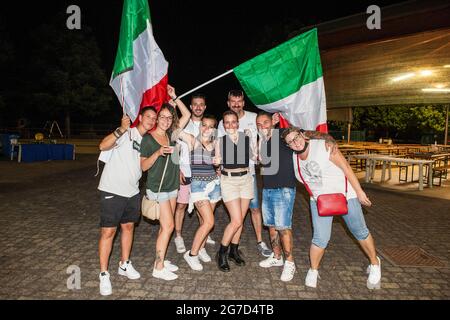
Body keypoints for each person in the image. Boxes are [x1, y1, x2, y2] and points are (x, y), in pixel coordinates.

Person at [282, 127, 381, 289]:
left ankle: (375, 263)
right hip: (320, 201)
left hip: (346, 195)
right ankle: (313, 270)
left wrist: (359, 191)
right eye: (290, 142)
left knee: (360, 231)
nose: (295, 142)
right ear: (289, 146)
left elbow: (346, 168)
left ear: (303, 135)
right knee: (320, 238)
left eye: (297, 137)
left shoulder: (323, 146)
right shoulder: (295, 159)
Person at [256, 112, 337, 282]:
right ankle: (276, 257)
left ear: (273, 122)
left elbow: (307, 133)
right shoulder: (262, 141)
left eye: (265, 122)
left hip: (284, 189)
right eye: (259, 123)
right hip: (268, 189)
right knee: (271, 227)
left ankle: (290, 262)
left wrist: (327, 137)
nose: (262, 126)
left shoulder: (283, 135)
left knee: (284, 228)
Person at [97, 106, 156, 296]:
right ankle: (104, 273)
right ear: (140, 117)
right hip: (112, 190)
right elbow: (103, 145)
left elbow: (144, 166)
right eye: (148, 116)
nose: (151, 120)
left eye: (154, 118)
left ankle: (124, 264)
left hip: (132, 192)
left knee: (128, 228)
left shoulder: (146, 140)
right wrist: (121, 129)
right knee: (108, 231)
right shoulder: (126, 133)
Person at [140, 85, 191, 281]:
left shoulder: (171, 135)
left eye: (169, 118)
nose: (166, 120)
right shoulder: (149, 139)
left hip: (172, 187)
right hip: (158, 189)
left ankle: (161, 259)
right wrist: (158, 153)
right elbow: (143, 167)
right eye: (162, 117)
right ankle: (158, 267)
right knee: (169, 227)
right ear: (156, 118)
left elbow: (185, 115)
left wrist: (175, 97)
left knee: (164, 227)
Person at [218, 90, 271, 257]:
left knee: (254, 210)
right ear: (228, 103)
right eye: (233, 101)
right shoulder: (222, 123)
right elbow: (220, 146)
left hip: (249, 173)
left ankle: (260, 241)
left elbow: (265, 132)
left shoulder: (253, 118)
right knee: (237, 218)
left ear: (243, 102)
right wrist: (218, 165)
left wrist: (273, 124)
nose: (236, 104)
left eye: (239, 101)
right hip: (230, 175)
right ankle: (226, 251)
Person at [176, 114, 221, 270]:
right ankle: (192, 254)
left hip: (214, 186)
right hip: (198, 186)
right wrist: (174, 101)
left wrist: (218, 164)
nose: (207, 129)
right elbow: (175, 130)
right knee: (209, 222)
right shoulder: (193, 141)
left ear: (214, 129)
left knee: (204, 222)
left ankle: (201, 248)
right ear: (200, 126)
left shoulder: (216, 143)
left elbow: (219, 163)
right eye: (204, 125)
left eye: (210, 126)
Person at [215, 110, 257, 272]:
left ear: (237, 123)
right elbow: (217, 161)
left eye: (234, 122)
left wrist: (253, 140)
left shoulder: (245, 137)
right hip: (229, 181)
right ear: (223, 125)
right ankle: (222, 252)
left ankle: (234, 251)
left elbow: (254, 157)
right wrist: (217, 163)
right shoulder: (220, 141)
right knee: (236, 220)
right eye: (227, 122)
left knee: (241, 219)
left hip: (246, 179)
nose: (231, 125)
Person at [174, 93, 215, 254]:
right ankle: (178, 236)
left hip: (203, 175)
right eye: (195, 104)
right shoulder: (184, 124)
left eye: (201, 104)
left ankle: (204, 234)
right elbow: (174, 145)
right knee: (181, 205)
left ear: (205, 107)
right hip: (185, 171)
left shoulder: (210, 126)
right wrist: (176, 169)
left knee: (202, 208)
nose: (198, 107)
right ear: (190, 107)